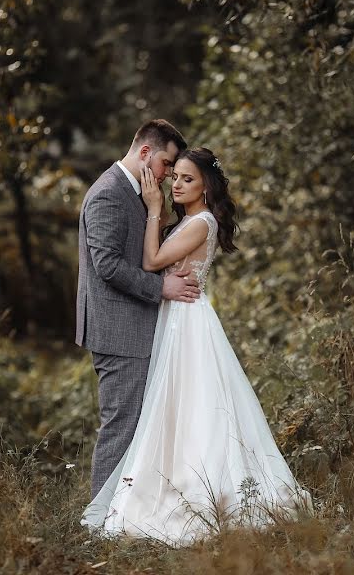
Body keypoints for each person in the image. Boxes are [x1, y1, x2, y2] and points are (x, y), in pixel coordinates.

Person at [81, 147, 310, 547]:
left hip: (188, 324)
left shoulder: (201, 222)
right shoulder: (188, 221)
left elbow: (151, 262)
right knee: (177, 409)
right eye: (176, 178)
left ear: (207, 186)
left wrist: (153, 206)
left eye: (187, 179)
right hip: (176, 319)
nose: (176, 184)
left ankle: (203, 492)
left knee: (193, 408)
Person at [76, 119, 201, 500]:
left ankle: (125, 513)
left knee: (136, 426)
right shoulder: (108, 194)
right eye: (166, 164)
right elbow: (108, 265)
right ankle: (99, 521)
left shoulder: (136, 193)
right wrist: (162, 286)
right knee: (121, 426)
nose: (167, 175)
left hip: (133, 326)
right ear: (145, 153)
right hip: (118, 330)